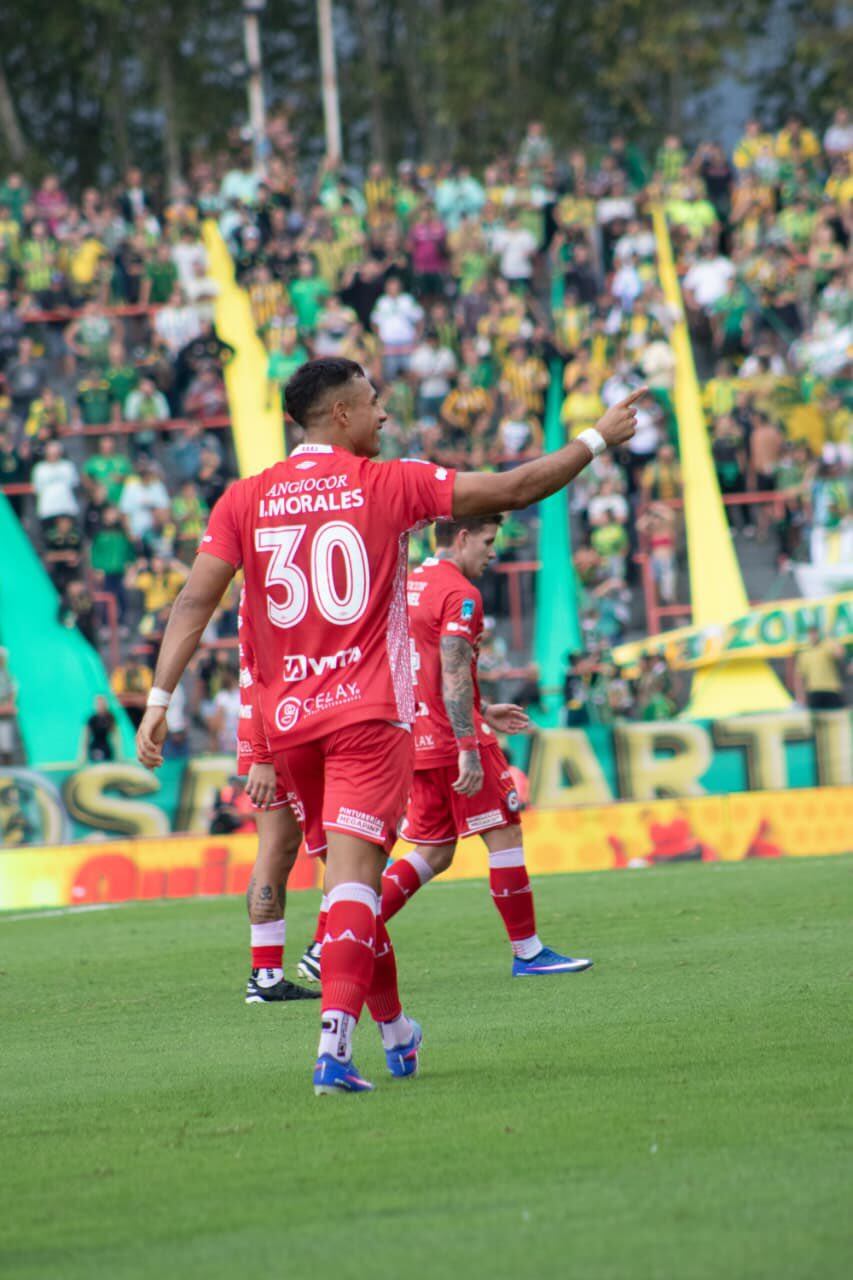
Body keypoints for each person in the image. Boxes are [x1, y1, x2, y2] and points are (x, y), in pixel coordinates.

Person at [135, 357, 642, 1094]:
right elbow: (513, 487)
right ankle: (333, 1049)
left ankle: (397, 1031)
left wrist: (158, 698)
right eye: (373, 403)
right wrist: (597, 439)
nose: (384, 416)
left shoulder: (242, 500)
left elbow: (191, 603)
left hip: (288, 727)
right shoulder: (388, 481)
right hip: (367, 718)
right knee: (354, 887)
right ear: (339, 414)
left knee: (352, 884)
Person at [390, 515, 592, 974]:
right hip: (453, 740)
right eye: (487, 541)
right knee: (505, 832)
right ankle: (529, 952)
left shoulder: (406, 585)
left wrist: (482, 712)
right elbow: (453, 671)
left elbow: (420, 668)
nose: (493, 552)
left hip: (415, 739)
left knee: (434, 852)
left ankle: (336, 941)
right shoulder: (460, 593)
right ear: (461, 538)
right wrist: (468, 740)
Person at [235, 591, 319, 1004]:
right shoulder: (270, 589)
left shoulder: (258, 585)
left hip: (269, 727)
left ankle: (268, 974)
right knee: (338, 837)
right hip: (283, 727)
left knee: (281, 846)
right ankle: (322, 947)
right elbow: (267, 670)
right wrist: (264, 756)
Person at [794, 629, 847, 711]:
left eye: (815, 633)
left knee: (836, 718)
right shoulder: (804, 653)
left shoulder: (827, 646)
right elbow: (799, 676)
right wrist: (800, 696)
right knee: (817, 721)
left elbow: (840, 654)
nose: (813, 636)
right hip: (814, 690)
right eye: (811, 634)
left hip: (832, 689)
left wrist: (832, 639)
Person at [83, 695, 118, 762]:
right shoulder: (92, 719)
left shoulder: (110, 718)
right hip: (95, 747)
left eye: (102, 703)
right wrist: (83, 757)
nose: (100, 705)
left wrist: (118, 755)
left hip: (106, 747)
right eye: (98, 703)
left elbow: (116, 737)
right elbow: (85, 739)